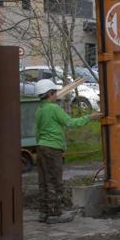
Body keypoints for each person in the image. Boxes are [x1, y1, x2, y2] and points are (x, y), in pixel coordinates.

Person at [34, 80, 101, 223]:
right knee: (55, 181)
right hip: (52, 149)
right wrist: (90, 117)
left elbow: (38, 131)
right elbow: (71, 123)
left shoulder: (40, 109)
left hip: (41, 147)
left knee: (44, 181)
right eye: (55, 92)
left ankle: (44, 212)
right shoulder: (53, 108)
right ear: (50, 94)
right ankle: (55, 214)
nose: (57, 94)